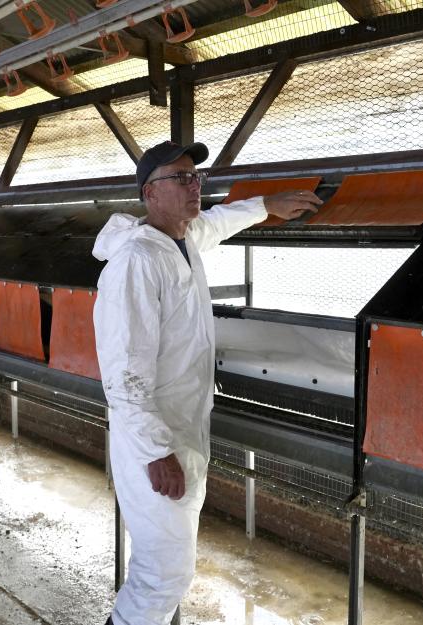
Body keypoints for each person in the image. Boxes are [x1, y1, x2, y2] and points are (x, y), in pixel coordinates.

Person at [93, 141, 321, 625]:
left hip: (183, 427)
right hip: (152, 440)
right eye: (180, 178)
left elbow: (217, 221)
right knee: (164, 574)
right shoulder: (137, 260)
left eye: (195, 177)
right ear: (150, 193)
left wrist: (266, 206)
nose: (194, 185)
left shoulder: (182, 239)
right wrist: (156, 450)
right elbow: (124, 372)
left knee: (165, 569)